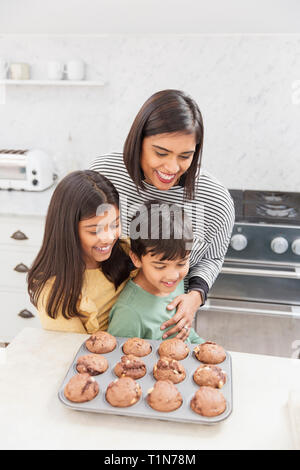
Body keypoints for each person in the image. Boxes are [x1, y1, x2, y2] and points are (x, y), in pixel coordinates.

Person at [90, 89, 235, 341]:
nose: (171, 168)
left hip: (166, 326)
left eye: (185, 156)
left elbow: (212, 258)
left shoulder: (215, 199)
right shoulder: (103, 175)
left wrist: (194, 297)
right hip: (96, 320)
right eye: (161, 153)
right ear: (139, 141)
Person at [27, 170, 136, 334]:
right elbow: (75, 351)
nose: (108, 238)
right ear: (67, 231)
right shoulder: (54, 290)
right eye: (94, 231)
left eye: (115, 225)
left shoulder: (127, 251)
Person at [108, 200, 204, 343]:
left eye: (181, 263)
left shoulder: (173, 282)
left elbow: (188, 333)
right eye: (160, 266)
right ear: (136, 258)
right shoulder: (128, 313)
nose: (173, 275)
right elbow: (118, 359)